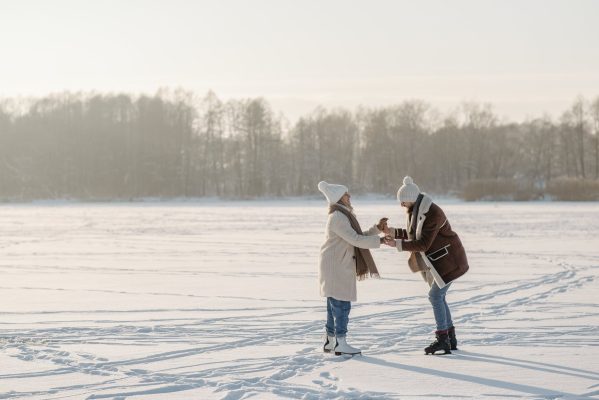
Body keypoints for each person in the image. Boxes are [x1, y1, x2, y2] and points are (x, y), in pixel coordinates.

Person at [383, 176, 469, 355]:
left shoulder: (432, 213)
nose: (401, 205)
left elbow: (423, 244)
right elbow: (413, 233)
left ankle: (443, 339)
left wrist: (397, 245)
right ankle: (450, 338)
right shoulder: (417, 210)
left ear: (412, 198)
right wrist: (393, 232)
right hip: (439, 262)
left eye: (403, 201)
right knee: (439, 297)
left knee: (435, 297)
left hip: (449, 262)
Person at [317, 181, 387, 356]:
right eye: (346, 194)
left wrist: (377, 229)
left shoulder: (342, 215)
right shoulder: (338, 217)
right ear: (339, 198)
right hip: (336, 267)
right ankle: (340, 343)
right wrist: (381, 240)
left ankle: (330, 340)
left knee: (334, 305)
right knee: (341, 305)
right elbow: (356, 240)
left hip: (337, 265)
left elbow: (357, 236)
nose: (350, 196)